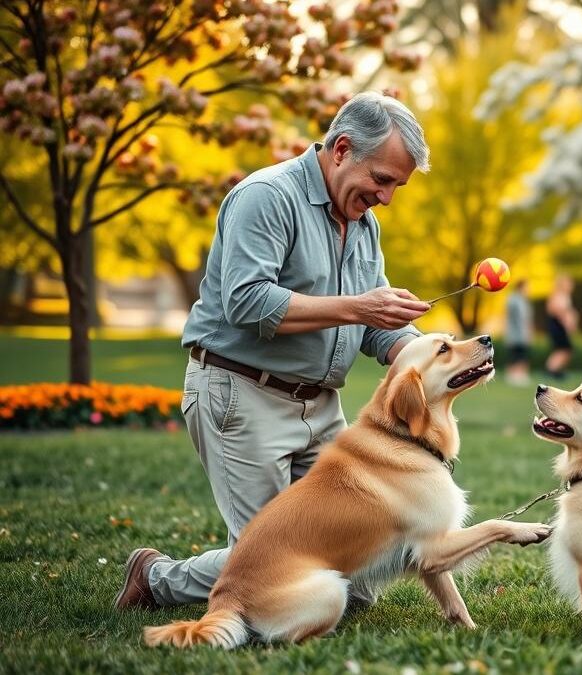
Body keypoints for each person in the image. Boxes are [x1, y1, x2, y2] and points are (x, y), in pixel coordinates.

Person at [114, 92, 432, 611]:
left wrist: (431, 357)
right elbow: (247, 302)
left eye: (396, 185)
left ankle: (201, 580)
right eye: (383, 179)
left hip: (321, 408)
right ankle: (156, 579)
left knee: (356, 563)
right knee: (279, 562)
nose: (388, 197)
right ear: (342, 149)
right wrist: (359, 307)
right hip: (242, 393)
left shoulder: (364, 224)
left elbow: (376, 330)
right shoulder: (267, 196)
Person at [545, 274, 577, 380]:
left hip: (561, 326)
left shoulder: (566, 296)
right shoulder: (558, 296)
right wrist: (566, 322)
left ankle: (555, 370)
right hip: (558, 325)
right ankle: (551, 370)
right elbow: (556, 310)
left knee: (565, 349)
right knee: (562, 349)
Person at [505, 279, 533, 386]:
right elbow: (517, 318)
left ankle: (521, 374)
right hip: (516, 332)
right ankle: (513, 375)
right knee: (516, 353)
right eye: (527, 287)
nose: (528, 289)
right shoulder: (514, 299)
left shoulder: (523, 300)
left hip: (522, 332)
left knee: (522, 353)